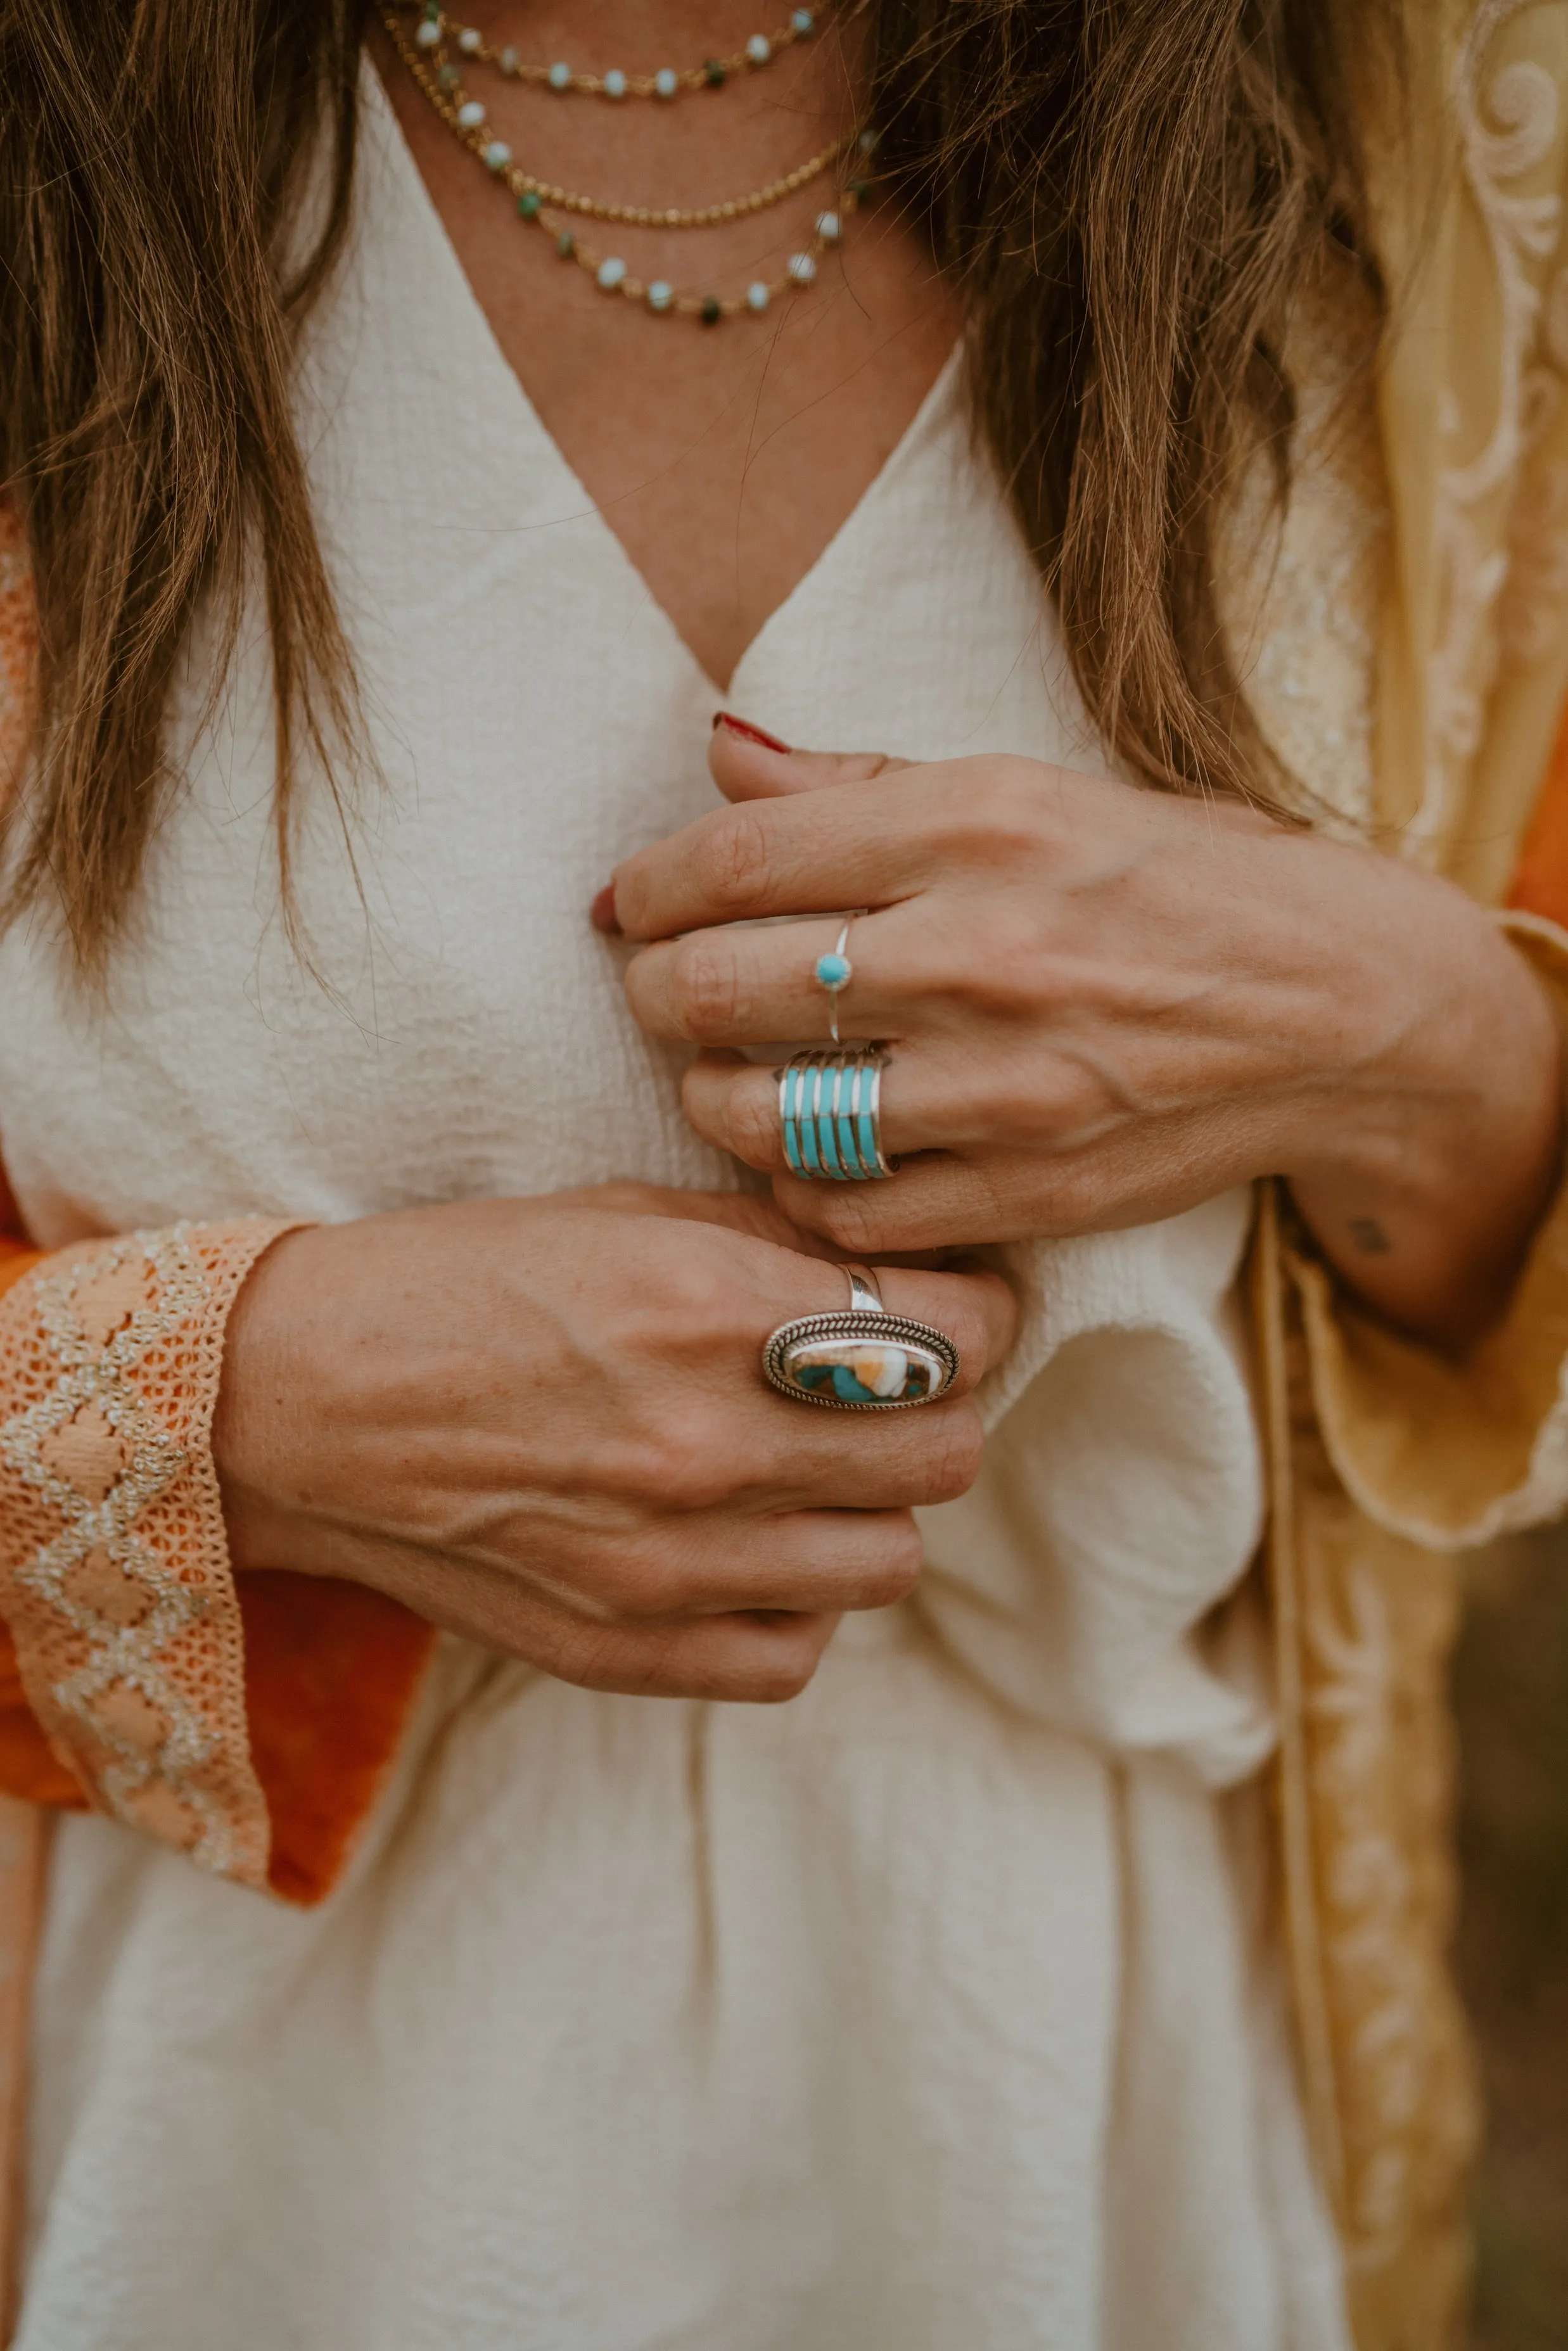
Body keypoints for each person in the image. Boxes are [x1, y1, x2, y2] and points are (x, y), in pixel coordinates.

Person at [0, 2, 1567, 2344]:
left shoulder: (1446, 120)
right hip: (218, 2137)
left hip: (1089, 2124)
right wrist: (211, 1407)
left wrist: (1415, 1032)